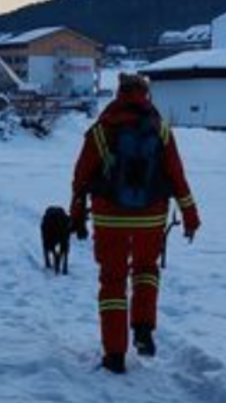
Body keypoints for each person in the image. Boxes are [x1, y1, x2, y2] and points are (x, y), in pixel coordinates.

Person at [70, 73, 201, 374]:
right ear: (146, 94)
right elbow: (177, 177)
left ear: (119, 93)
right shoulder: (161, 130)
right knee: (145, 271)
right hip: (151, 217)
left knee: (112, 281)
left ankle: (115, 354)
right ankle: (143, 330)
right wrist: (190, 217)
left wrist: (76, 214)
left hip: (109, 217)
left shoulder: (102, 129)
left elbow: (80, 178)